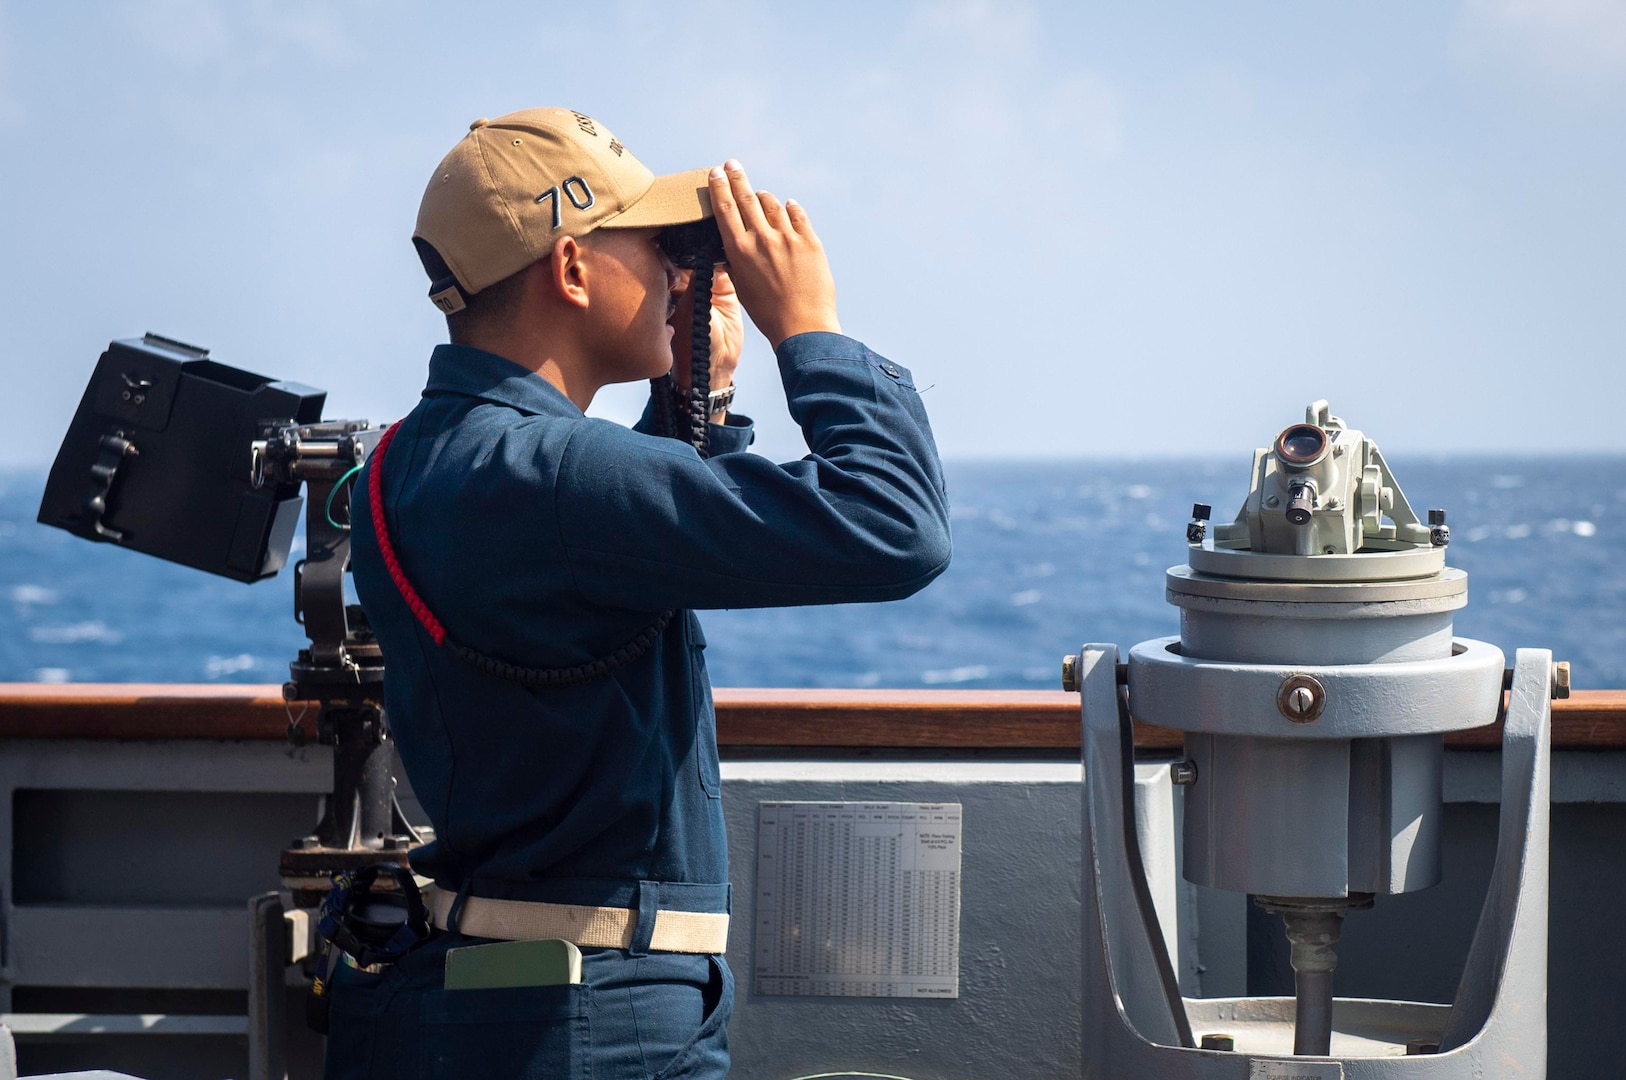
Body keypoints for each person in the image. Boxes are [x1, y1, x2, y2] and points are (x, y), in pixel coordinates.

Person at [333, 107, 951, 1079]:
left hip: (482, 994)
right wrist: (812, 331)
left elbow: (603, 591)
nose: (677, 272)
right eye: (659, 248)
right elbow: (894, 527)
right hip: (602, 1024)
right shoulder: (562, 479)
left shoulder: (398, 470)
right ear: (572, 270)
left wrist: (693, 402)